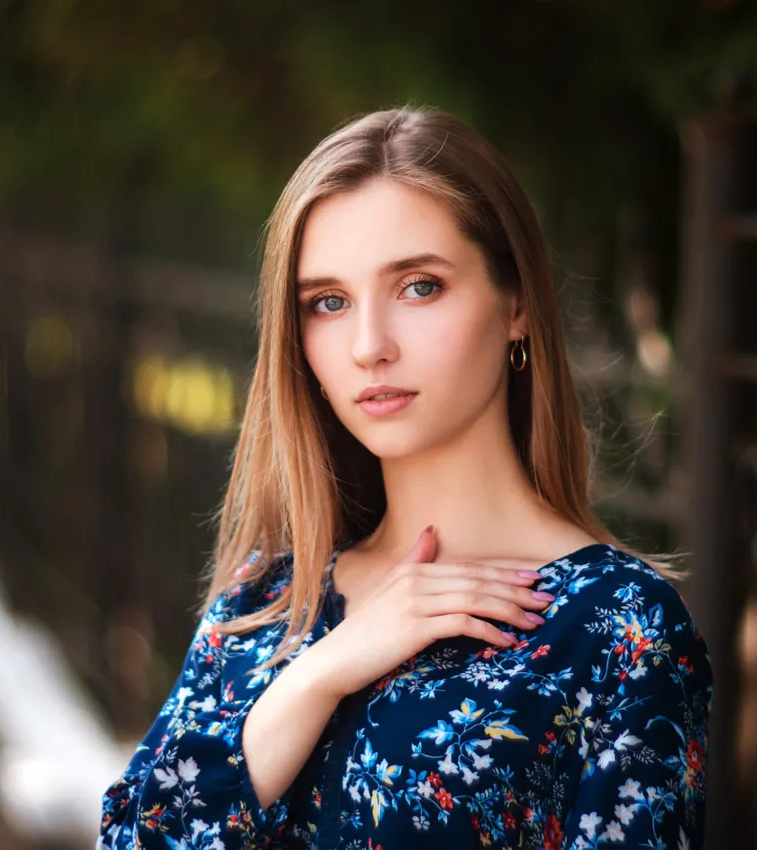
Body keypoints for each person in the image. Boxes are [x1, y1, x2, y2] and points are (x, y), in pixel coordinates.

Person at [98, 106, 713, 850]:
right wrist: (319, 674)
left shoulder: (620, 629)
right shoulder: (268, 600)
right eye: (328, 303)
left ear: (515, 302)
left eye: (418, 286)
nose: (368, 346)